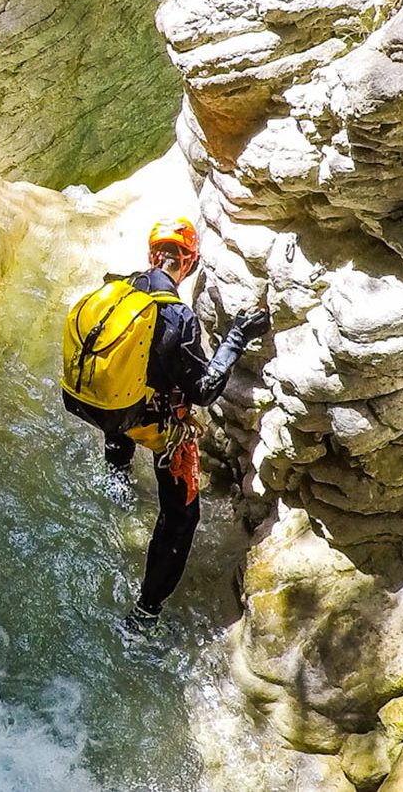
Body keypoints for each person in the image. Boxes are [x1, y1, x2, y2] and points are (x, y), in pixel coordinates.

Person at [62, 217, 269, 634]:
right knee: (181, 518)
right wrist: (237, 337)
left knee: (122, 402)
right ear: (188, 264)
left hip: (103, 407)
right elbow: (205, 391)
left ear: (150, 256)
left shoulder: (117, 293)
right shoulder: (178, 317)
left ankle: (116, 481)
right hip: (152, 422)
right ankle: (145, 615)